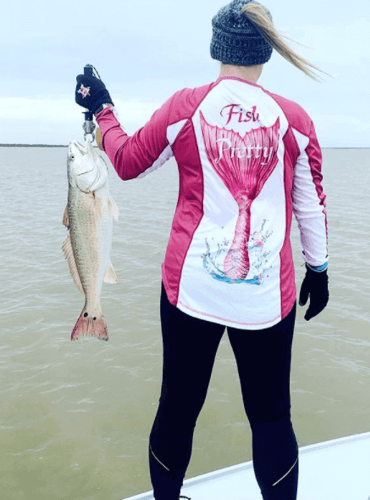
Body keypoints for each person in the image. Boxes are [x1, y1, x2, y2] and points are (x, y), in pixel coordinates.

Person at [74, 0, 329, 498]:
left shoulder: (185, 106)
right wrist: (318, 269)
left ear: (218, 49)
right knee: (272, 418)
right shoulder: (293, 118)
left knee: (177, 408)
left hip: (189, 293)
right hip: (266, 302)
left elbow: (125, 161)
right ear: (266, 52)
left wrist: (101, 109)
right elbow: (311, 203)